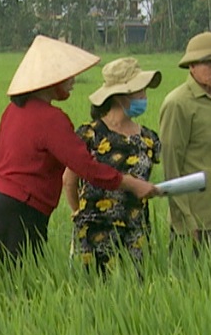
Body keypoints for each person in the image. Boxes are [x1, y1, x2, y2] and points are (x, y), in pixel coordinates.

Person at [0, 36, 160, 265]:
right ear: (51, 80)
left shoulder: (14, 111)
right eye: (68, 76)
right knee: (28, 286)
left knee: (17, 278)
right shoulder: (51, 119)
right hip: (22, 209)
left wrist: (1, 201)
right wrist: (131, 183)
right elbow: (86, 167)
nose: (73, 81)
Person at [63, 57, 162, 274]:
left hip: (136, 229)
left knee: (135, 291)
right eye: (139, 90)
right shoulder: (90, 135)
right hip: (95, 229)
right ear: (119, 96)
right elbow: (69, 180)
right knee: (95, 292)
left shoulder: (148, 138)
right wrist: (79, 213)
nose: (144, 96)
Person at [158, 32, 211, 247]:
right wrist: (185, 220)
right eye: (210, 63)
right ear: (192, 66)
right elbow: (171, 167)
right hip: (197, 221)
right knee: (193, 279)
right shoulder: (178, 103)